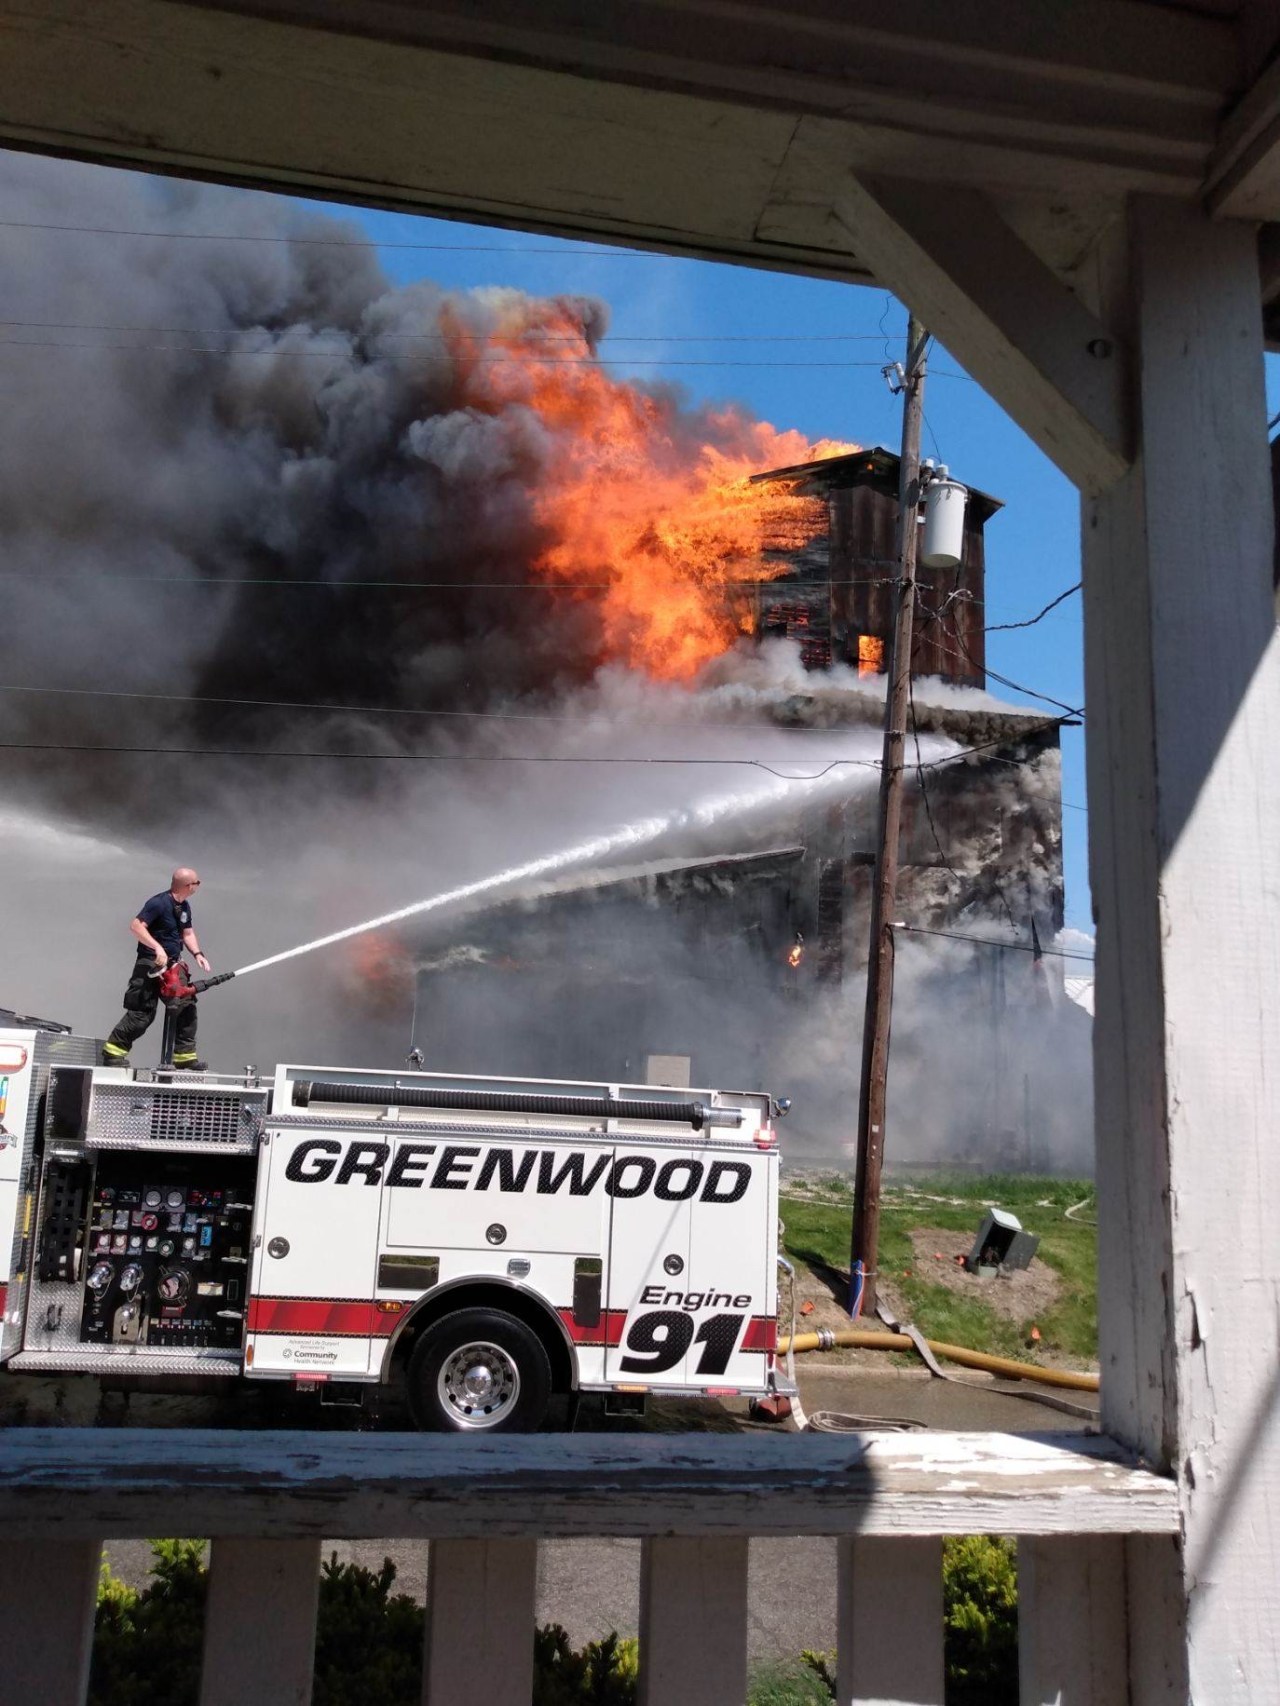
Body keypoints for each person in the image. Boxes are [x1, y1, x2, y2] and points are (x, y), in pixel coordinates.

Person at [102, 868, 211, 1069]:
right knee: (142, 1013)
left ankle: (184, 1056)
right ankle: (113, 1053)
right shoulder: (158, 903)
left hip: (173, 965)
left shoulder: (185, 906)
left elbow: (187, 934)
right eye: (197, 882)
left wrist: (198, 954)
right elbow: (136, 926)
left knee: (186, 1007)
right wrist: (157, 948)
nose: (199, 885)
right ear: (188, 886)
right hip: (150, 964)